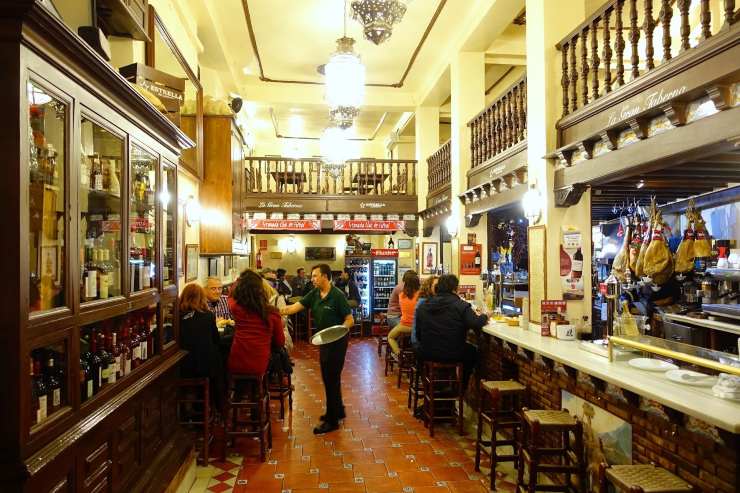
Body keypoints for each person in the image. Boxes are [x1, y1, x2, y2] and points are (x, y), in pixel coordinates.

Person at [281, 264, 354, 434]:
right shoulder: (314, 294)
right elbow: (294, 308)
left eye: (315, 276)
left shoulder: (337, 296)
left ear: (325, 277)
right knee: (331, 378)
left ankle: (332, 420)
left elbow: (350, 319)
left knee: (331, 378)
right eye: (312, 276)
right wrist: (275, 311)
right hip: (324, 341)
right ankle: (338, 410)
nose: (312, 279)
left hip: (337, 342)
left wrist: (339, 330)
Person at [415, 274, 488, 389]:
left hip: (427, 353)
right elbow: (476, 323)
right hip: (453, 353)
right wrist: (485, 316)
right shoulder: (461, 306)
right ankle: (459, 389)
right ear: (455, 288)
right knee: (472, 352)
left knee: (422, 354)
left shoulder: (423, 306)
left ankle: (432, 391)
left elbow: (418, 335)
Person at [228, 270, 285, 376]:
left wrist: (240, 279)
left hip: (237, 361)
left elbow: (230, 296)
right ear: (262, 290)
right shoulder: (272, 312)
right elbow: (280, 342)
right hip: (260, 362)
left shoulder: (236, 308)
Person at [179, 283, 224, 410]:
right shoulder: (208, 316)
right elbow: (216, 339)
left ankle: (189, 412)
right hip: (205, 367)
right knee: (218, 361)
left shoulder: (177, 317)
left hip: (183, 366)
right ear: (201, 298)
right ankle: (216, 406)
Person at [387, 270, 420, 354]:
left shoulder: (403, 295)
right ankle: (409, 350)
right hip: (394, 316)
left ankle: (399, 354)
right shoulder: (401, 289)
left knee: (391, 337)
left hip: (404, 322)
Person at [410, 275, 438, 350]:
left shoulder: (431, 300)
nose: (438, 288)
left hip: (424, 339)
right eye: (436, 286)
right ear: (428, 287)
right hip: (419, 342)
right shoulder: (424, 302)